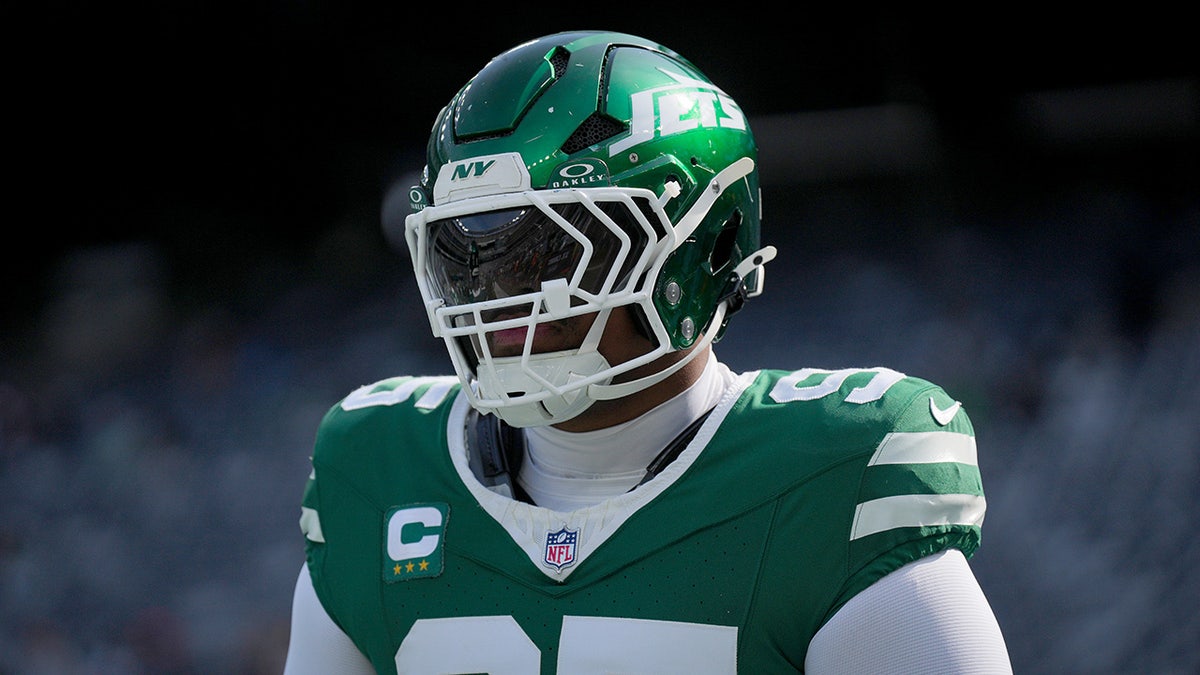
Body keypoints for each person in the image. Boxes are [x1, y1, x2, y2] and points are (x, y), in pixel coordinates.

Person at [283, 30, 1013, 674]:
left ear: (704, 244)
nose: (498, 300)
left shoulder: (829, 477)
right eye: (468, 257)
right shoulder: (372, 470)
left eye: (550, 252)